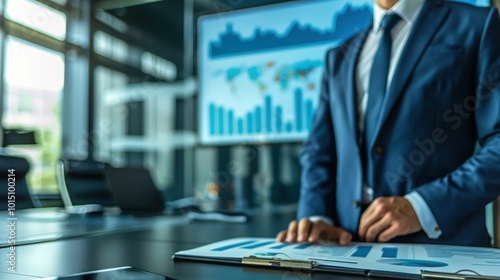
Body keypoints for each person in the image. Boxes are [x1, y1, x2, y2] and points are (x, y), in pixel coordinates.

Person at [276, 0, 500, 247]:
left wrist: (423, 206)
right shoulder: (339, 57)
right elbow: (320, 152)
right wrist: (318, 216)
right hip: (347, 249)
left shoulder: (477, 24)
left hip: (443, 252)